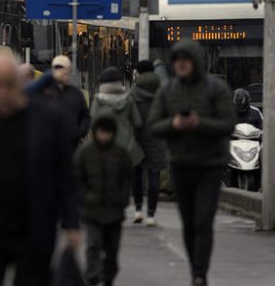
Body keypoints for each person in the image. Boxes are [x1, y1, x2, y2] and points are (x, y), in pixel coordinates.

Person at [0, 52, 80, 286]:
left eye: (8, 84)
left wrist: (71, 222)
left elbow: (65, 175)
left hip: (32, 230)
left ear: (19, 82)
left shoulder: (48, 120)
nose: (2, 93)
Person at [148, 40, 236, 286]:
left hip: (210, 164)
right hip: (181, 164)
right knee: (188, 223)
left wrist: (201, 124)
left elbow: (228, 124)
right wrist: (173, 125)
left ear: (196, 62)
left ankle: (200, 274)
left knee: (203, 221)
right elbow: (153, 125)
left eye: (186, 60)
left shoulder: (215, 89)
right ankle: (195, 268)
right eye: (177, 60)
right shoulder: (167, 91)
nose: (181, 64)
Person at [75, 115, 134, 286]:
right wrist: (84, 197)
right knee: (93, 245)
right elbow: (78, 178)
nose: (104, 136)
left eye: (107, 133)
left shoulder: (121, 154)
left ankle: (108, 276)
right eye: (101, 132)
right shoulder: (85, 153)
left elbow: (126, 179)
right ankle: (92, 275)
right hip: (91, 209)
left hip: (114, 210)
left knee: (112, 249)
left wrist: (123, 199)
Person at [130, 59, 166, 225]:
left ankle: (138, 209)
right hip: (157, 138)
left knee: (137, 174)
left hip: (137, 138)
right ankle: (151, 214)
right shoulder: (162, 92)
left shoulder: (133, 93)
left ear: (138, 72)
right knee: (154, 175)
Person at [90, 66, 144, 171]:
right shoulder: (128, 99)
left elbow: (93, 123)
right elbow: (138, 123)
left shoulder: (98, 100)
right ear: (120, 82)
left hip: (105, 148)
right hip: (128, 148)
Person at [26, 54, 90, 143]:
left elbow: (85, 117)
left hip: (71, 143)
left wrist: (80, 132)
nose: (60, 73)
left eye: (63, 69)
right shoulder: (44, 92)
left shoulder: (76, 94)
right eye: (57, 69)